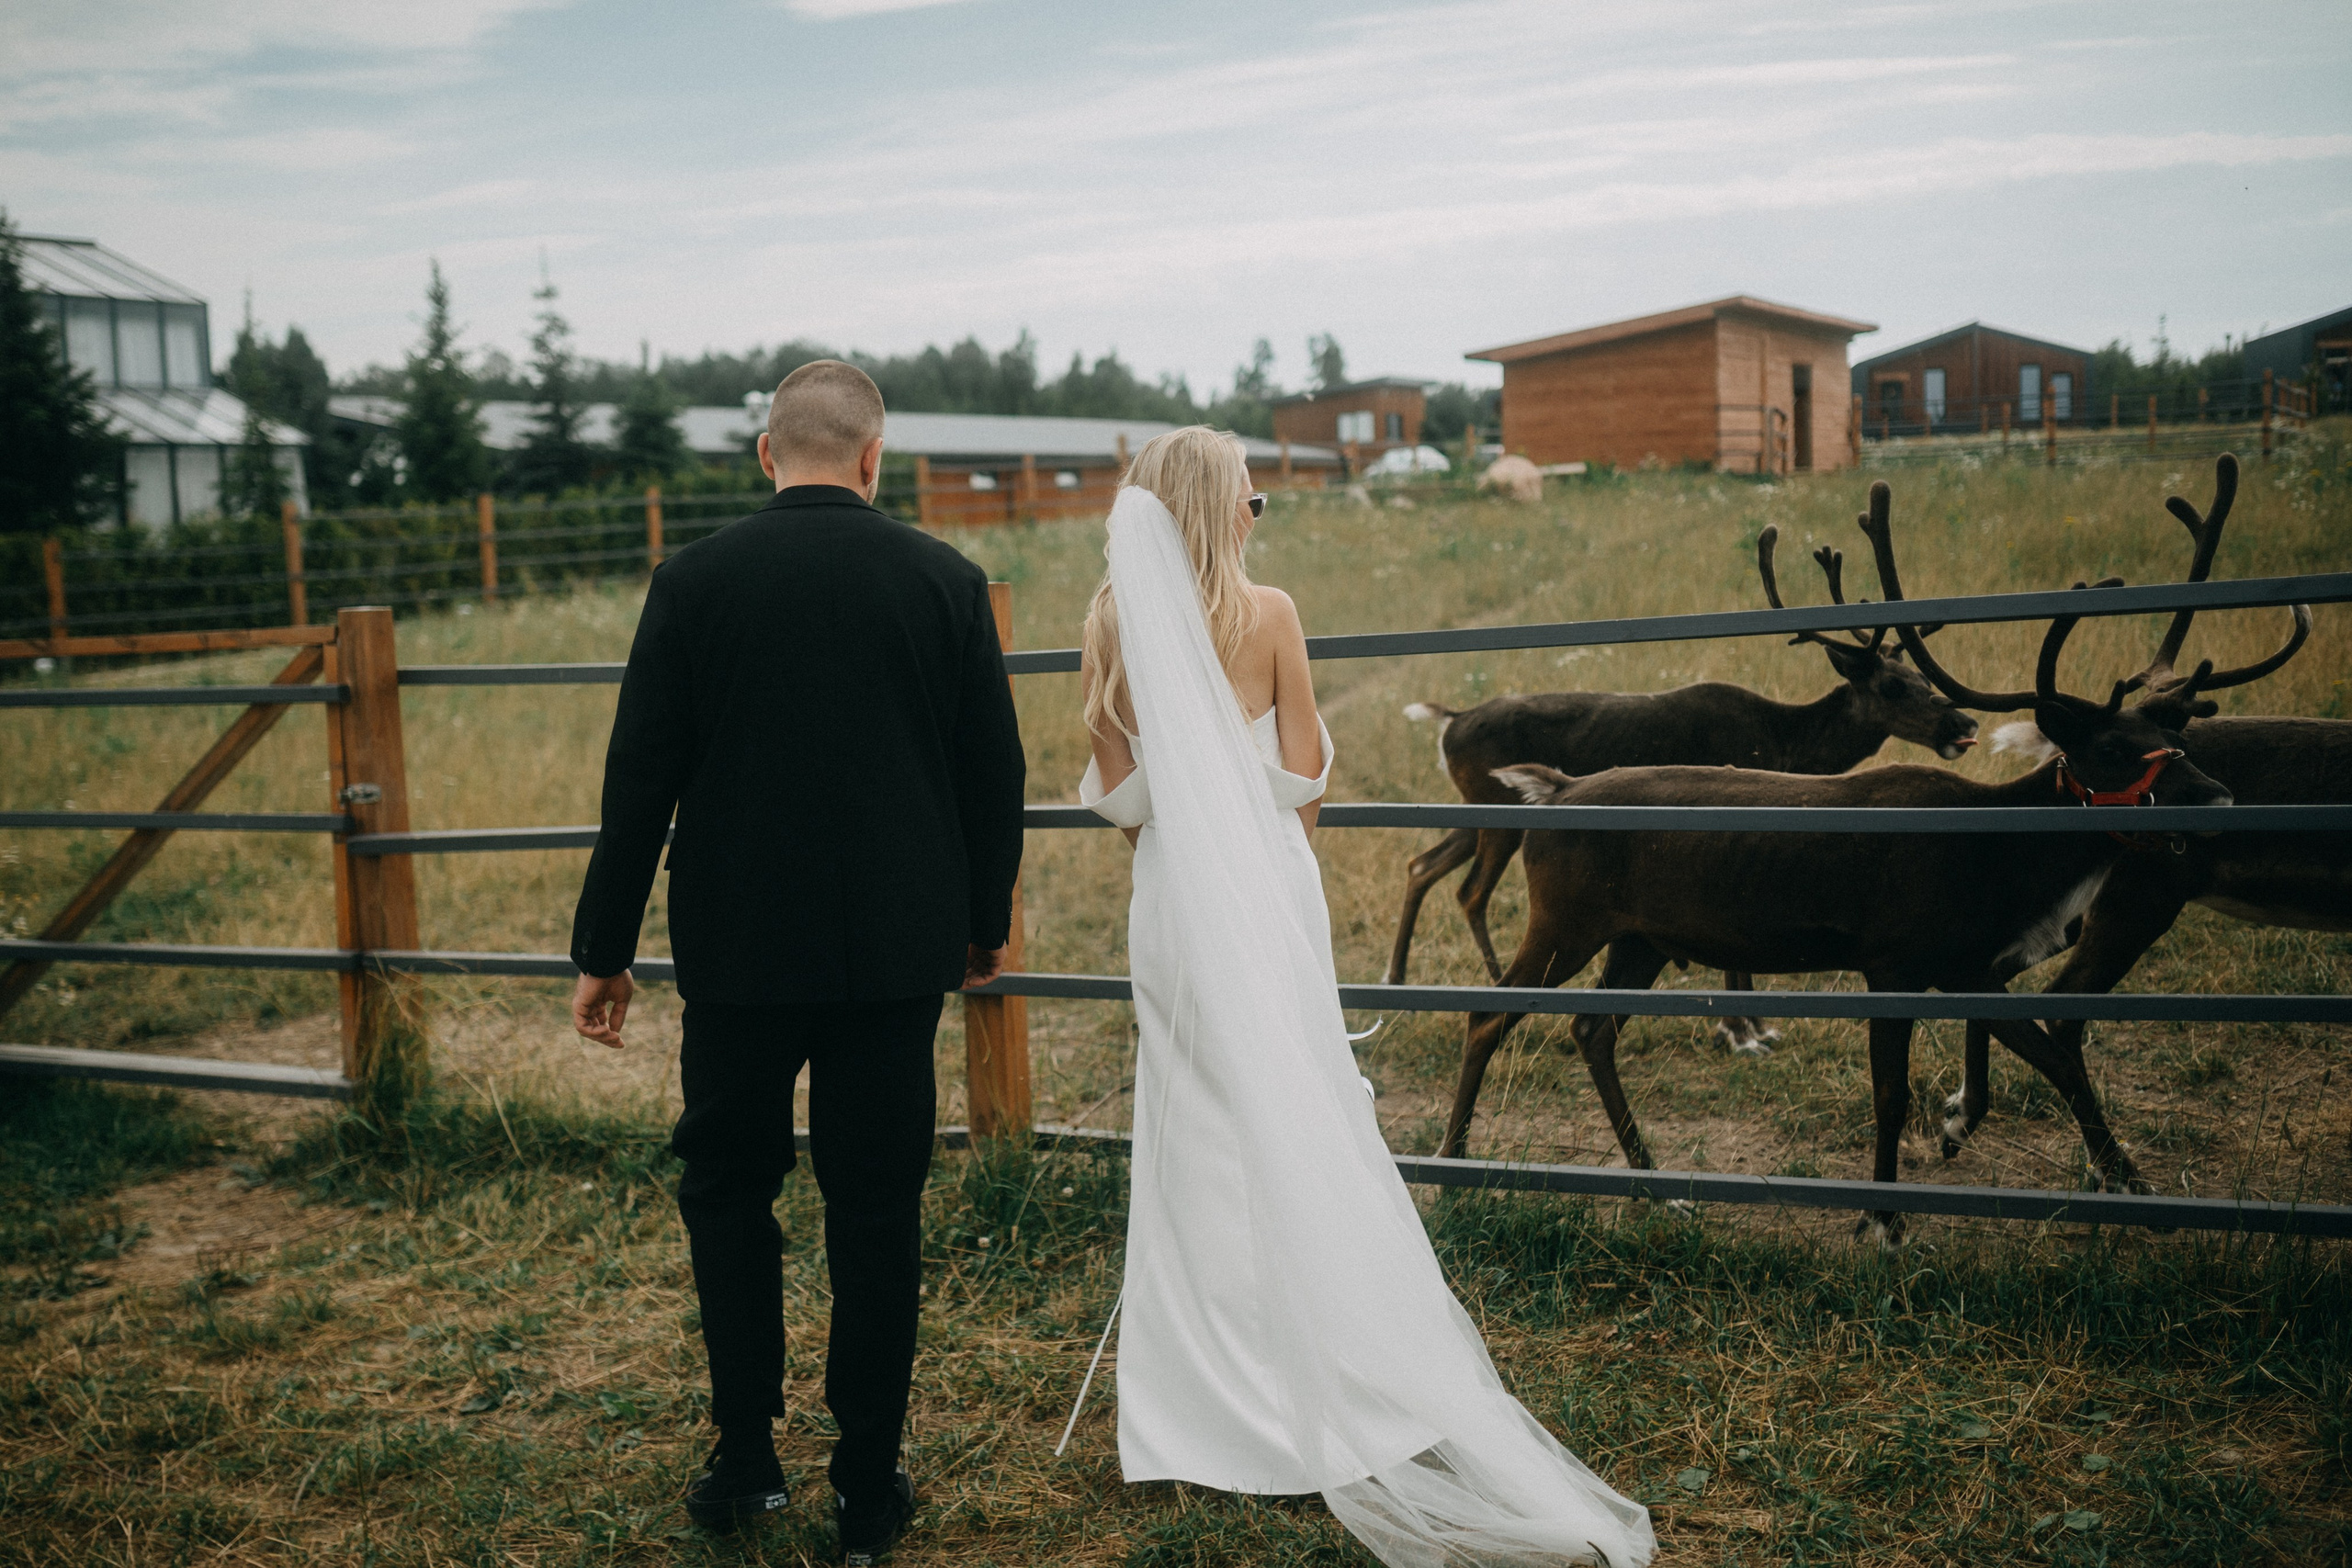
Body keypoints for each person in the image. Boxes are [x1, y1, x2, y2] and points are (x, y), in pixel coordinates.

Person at [1077, 427, 1654, 1567]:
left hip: (1175, 905)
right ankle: (1320, 1363)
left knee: (1192, 1125)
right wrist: (1269, 866)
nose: (1256, 514)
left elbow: (1125, 799)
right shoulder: (1272, 614)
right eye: (1250, 498)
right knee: (1295, 1111)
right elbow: (1302, 780)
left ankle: (1198, 1405)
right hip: (1269, 894)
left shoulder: (1110, 626)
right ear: (1216, 509)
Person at [569, 359, 1025, 1562]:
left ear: (766, 455)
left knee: (729, 1187)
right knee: (876, 1207)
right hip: (895, 958)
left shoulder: (693, 580)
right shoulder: (944, 580)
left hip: (736, 951)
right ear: (875, 459)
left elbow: (638, 781)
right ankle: (869, 1489)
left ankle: (747, 1458)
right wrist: (985, 921)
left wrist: (602, 949)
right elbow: (995, 775)